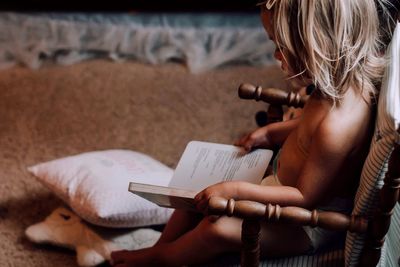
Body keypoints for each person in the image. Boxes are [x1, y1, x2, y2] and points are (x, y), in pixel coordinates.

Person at [110, 0, 392, 266]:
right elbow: (308, 128)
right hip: (278, 187)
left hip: (304, 224)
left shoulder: (337, 126)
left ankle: (164, 259)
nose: (275, 55)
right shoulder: (337, 91)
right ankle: (160, 247)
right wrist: (271, 134)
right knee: (194, 192)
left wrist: (235, 190)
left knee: (216, 229)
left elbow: (305, 197)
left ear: (318, 45)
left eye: (280, 45)